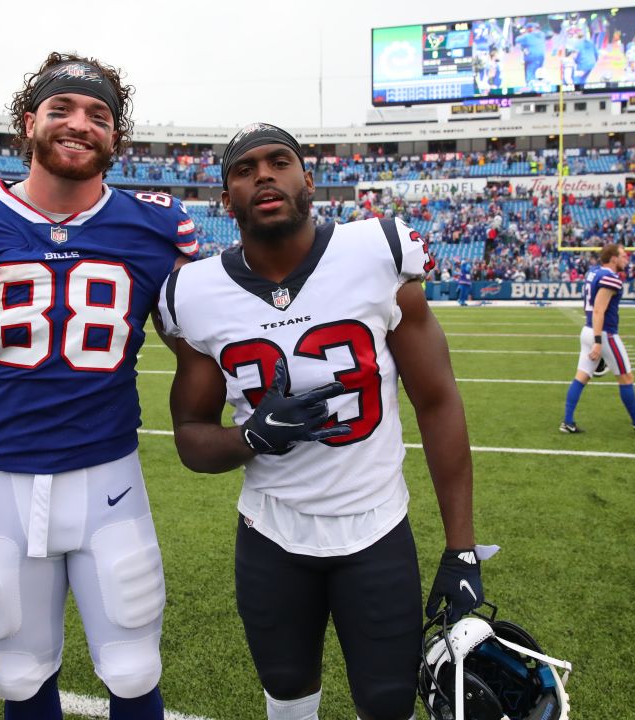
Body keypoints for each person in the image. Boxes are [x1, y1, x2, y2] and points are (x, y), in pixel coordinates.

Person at [0, 52, 197, 720]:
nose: (79, 123)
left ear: (116, 137)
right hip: (2, 491)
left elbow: (206, 351)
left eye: (98, 115)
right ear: (29, 123)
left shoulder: (155, 228)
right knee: (20, 679)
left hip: (111, 485)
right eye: (62, 109)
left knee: (134, 672)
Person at [162, 123, 490, 720]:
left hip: (377, 527)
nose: (263, 174)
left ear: (307, 180)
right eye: (244, 169)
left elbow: (438, 400)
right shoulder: (195, 292)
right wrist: (250, 437)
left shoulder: (377, 250)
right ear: (224, 200)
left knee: (388, 704)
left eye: (279, 161)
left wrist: (461, 548)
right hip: (272, 531)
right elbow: (189, 436)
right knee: (287, 697)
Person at [560, 243, 635, 433]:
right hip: (604, 333)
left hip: (588, 330)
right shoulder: (611, 278)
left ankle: (567, 422)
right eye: (623, 255)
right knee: (626, 376)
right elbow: (600, 310)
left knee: (581, 377)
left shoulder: (594, 272)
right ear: (614, 258)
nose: (627, 259)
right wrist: (599, 342)